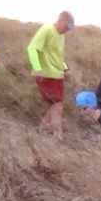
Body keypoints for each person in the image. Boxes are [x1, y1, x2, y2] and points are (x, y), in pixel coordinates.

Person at [27, 11, 74, 139]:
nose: (67, 30)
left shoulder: (61, 36)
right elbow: (32, 48)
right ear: (61, 21)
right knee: (57, 105)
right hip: (46, 74)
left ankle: (41, 131)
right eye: (67, 27)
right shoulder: (47, 29)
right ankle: (57, 135)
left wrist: (65, 69)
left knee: (52, 105)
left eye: (70, 29)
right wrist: (37, 68)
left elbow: (58, 56)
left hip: (57, 75)